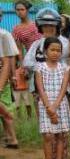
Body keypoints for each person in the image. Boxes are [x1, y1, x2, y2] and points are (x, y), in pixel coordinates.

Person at [36, 37, 70, 159]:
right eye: (53, 49)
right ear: (45, 51)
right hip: (45, 104)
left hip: (60, 104)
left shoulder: (65, 68)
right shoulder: (40, 68)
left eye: (59, 50)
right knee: (48, 136)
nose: (56, 53)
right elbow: (41, 89)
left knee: (60, 136)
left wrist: (55, 106)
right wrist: (49, 108)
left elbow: (64, 89)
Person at [23, 8, 70, 72]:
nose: (48, 28)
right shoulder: (37, 44)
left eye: (51, 25)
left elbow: (66, 62)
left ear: (57, 26)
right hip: (40, 79)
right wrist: (43, 68)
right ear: (40, 28)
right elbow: (27, 62)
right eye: (45, 26)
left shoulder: (65, 43)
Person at [0, 15, 19, 150]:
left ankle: (12, 138)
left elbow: (9, 59)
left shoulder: (4, 35)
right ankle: (9, 138)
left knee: (4, 108)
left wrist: (12, 76)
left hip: (1, 78)